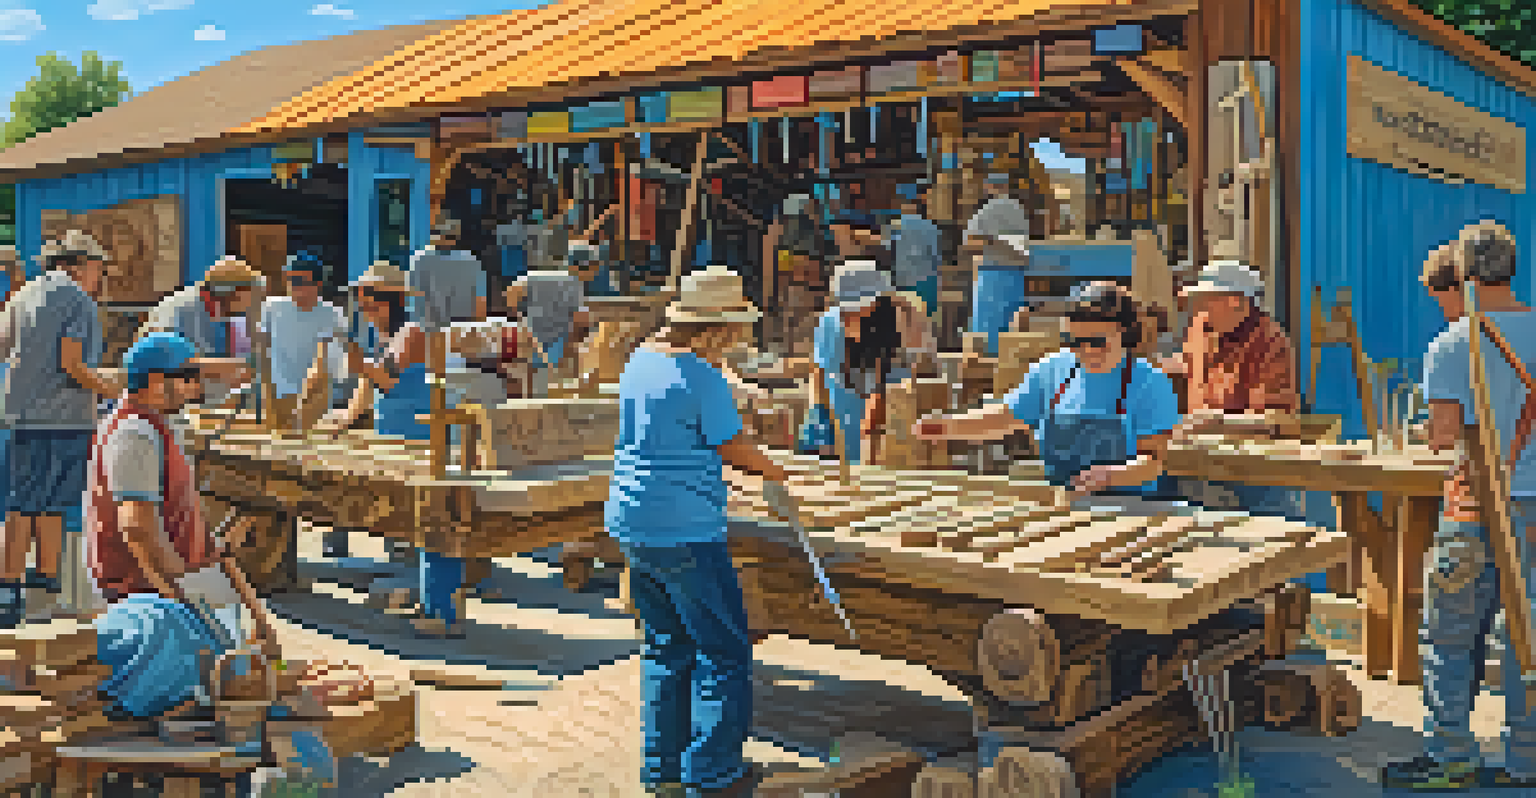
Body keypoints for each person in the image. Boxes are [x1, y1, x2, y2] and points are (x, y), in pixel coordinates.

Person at [608, 265, 789, 798]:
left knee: (666, 645)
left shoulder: (640, 361)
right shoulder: (702, 378)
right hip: (684, 528)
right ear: (711, 329)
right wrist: (776, 471)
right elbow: (731, 447)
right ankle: (713, 775)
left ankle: (662, 768)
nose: (733, 344)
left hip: (633, 518)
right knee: (724, 652)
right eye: (730, 333)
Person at [1380, 221, 1536, 790]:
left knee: (1449, 636)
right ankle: (1527, 763)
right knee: (1528, 638)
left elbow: (1443, 436)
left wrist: (1425, 428)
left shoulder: (1456, 341)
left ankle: (1450, 754)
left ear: (1466, 274)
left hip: (1476, 507)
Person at [88, 332, 280, 719]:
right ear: (157, 382)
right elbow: (137, 526)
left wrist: (251, 608)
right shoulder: (134, 433)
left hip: (178, 590)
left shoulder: (157, 427)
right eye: (189, 375)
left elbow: (195, 529)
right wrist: (182, 598)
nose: (197, 385)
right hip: (147, 604)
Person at [913, 281, 1180, 496]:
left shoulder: (1149, 384)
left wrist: (1110, 476)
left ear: (1126, 335)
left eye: (1098, 342)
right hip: (1065, 501)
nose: (1086, 351)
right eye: (1076, 342)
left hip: (1132, 508)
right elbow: (1006, 417)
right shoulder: (1053, 370)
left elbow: (1155, 463)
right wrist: (947, 427)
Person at [332, 262, 469, 637]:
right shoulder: (383, 336)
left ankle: (442, 610)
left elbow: (386, 378)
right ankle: (432, 600)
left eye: (371, 303)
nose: (365, 311)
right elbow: (368, 386)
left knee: (433, 519)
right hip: (395, 440)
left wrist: (357, 361)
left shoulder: (410, 333)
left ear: (390, 302)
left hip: (421, 441)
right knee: (412, 523)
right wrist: (345, 416)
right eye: (362, 304)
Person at [0, 231, 121, 627]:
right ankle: (39, 593)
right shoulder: (78, 301)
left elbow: (4, 347)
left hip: (20, 416)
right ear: (80, 265)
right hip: (63, 419)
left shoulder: (23, 296)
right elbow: (71, 363)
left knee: (25, 505)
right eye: (98, 268)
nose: (98, 277)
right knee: (45, 506)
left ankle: (17, 594)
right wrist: (114, 388)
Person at [1156, 260, 1303, 517]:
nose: (1199, 307)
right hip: (1197, 457)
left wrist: (1216, 421)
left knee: (1269, 531)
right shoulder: (1201, 327)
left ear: (1236, 301)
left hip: (1252, 468)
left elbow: (1280, 419)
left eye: (1206, 300)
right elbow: (1187, 365)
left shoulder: (1270, 342)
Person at [798, 261, 931, 465]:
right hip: (840, 418)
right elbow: (819, 373)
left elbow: (901, 381)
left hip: (885, 426)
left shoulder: (897, 322)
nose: (853, 315)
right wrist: (819, 414)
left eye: (861, 307)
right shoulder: (830, 323)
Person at [139, 256, 262, 407]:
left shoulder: (230, 317)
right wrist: (224, 367)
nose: (250, 302)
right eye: (248, 293)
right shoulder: (177, 307)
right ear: (233, 293)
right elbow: (162, 357)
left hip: (205, 404)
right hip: (161, 403)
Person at [257, 252, 347, 431]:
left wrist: (306, 399)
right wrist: (266, 394)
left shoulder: (332, 314)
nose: (293, 286)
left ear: (318, 284)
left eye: (300, 281)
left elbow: (326, 361)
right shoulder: (272, 307)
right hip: (278, 394)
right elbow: (263, 352)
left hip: (316, 397)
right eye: (290, 280)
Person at [962, 173, 1033, 357]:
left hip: (992, 274)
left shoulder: (987, 211)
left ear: (990, 187)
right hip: (1016, 274)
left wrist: (991, 242)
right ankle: (1012, 360)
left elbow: (969, 242)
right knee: (1012, 321)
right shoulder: (1019, 211)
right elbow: (1024, 243)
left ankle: (986, 363)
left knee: (987, 328)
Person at [408, 218, 489, 332]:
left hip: (435, 330)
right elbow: (480, 302)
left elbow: (414, 297)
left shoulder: (420, 260)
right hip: (456, 329)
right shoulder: (471, 261)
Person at [883, 188, 942, 317]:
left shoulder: (893, 226)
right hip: (926, 280)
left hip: (903, 279)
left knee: (905, 317)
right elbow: (936, 257)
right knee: (926, 318)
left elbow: (887, 252)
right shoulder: (931, 227)